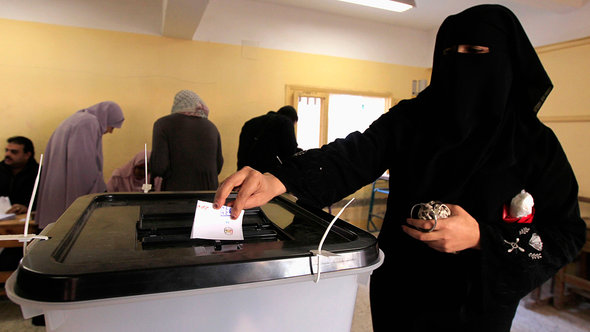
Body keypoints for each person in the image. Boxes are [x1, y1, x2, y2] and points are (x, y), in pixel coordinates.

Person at [214, 5, 586, 332]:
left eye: (475, 52)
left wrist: (480, 238)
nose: (460, 63)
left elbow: (566, 232)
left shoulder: (533, 143)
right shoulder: (414, 118)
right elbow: (356, 153)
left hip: (476, 304)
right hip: (401, 291)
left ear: (505, 61)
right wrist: (277, 178)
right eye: (448, 53)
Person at [35, 101, 124, 229]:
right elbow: (83, 165)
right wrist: (93, 194)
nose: (111, 131)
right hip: (72, 192)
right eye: (113, 126)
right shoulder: (89, 122)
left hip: (57, 188)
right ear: (106, 117)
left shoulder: (76, 119)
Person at [150, 90, 223, 191]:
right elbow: (218, 166)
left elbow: (159, 167)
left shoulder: (163, 124)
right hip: (208, 194)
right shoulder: (211, 127)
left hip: (176, 194)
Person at [237, 105, 299, 173]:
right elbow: (290, 150)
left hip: (244, 172)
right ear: (293, 120)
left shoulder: (250, 123)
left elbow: (242, 151)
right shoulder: (285, 121)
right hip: (266, 175)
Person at [0, 136, 39, 214]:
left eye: (14, 152)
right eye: (7, 150)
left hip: (26, 219)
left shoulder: (39, 173)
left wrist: (26, 207)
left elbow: (45, 201)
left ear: (27, 155)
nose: (7, 154)